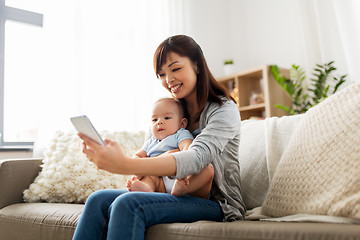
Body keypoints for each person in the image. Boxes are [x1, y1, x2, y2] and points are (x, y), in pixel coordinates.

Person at [73, 35, 245, 240]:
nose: (168, 79)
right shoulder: (166, 112)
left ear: (197, 65)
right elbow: (149, 153)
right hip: (166, 191)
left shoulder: (223, 109)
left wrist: (124, 164)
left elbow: (196, 158)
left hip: (217, 204)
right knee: (98, 200)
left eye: (175, 68)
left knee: (128, 204)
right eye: (161, 74)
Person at [127, 97, 214, 199]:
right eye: (154, 119)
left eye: (167, 118)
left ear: (182, 123)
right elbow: (137, 155)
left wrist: (184, 169)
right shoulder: (151, 141)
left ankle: (184, 188)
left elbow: (188, 149)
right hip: (161, 183)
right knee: (149, 177)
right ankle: (147, 189)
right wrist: (139, 169)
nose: (159, 122)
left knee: (207, 168)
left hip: (181, 176)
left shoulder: (180, 134)